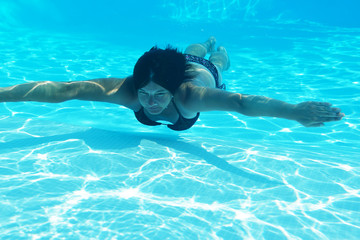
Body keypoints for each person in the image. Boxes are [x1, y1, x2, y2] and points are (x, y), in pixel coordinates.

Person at [0, 37, 344, 131]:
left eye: (159, 95)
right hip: (175, 66)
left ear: (174, 90)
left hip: (204, 72)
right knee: (190, 49)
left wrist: (293, 111)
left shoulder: (190, 97)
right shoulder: (130, 90)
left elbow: (240, 103)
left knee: (213, 62)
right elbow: (68, 90)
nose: (150, 102)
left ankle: (218, 51)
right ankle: (202, 44)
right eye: (145, 93)